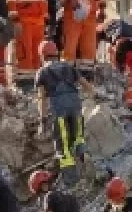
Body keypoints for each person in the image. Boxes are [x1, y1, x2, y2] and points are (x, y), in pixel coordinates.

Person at [35, 40, 94, 185]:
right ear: (56, 53)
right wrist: (92, 97)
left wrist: (42, 120)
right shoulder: (68, 67)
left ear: (42, 56)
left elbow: (41, 98)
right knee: (79, 139)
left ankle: (71, 182)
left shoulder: (42, 72)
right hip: (75, 107)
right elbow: (87, 86)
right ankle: (87, 170)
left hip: (59, 111)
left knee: (64, 148)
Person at [7, 0, 50, 85]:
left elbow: (42, 1)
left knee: (37, 54)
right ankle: (25, 82)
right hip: (24, 22)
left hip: (38, 23)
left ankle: (36, 81)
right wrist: (16, 21)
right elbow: (11, 2)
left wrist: (45, 19)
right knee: (25, 53)